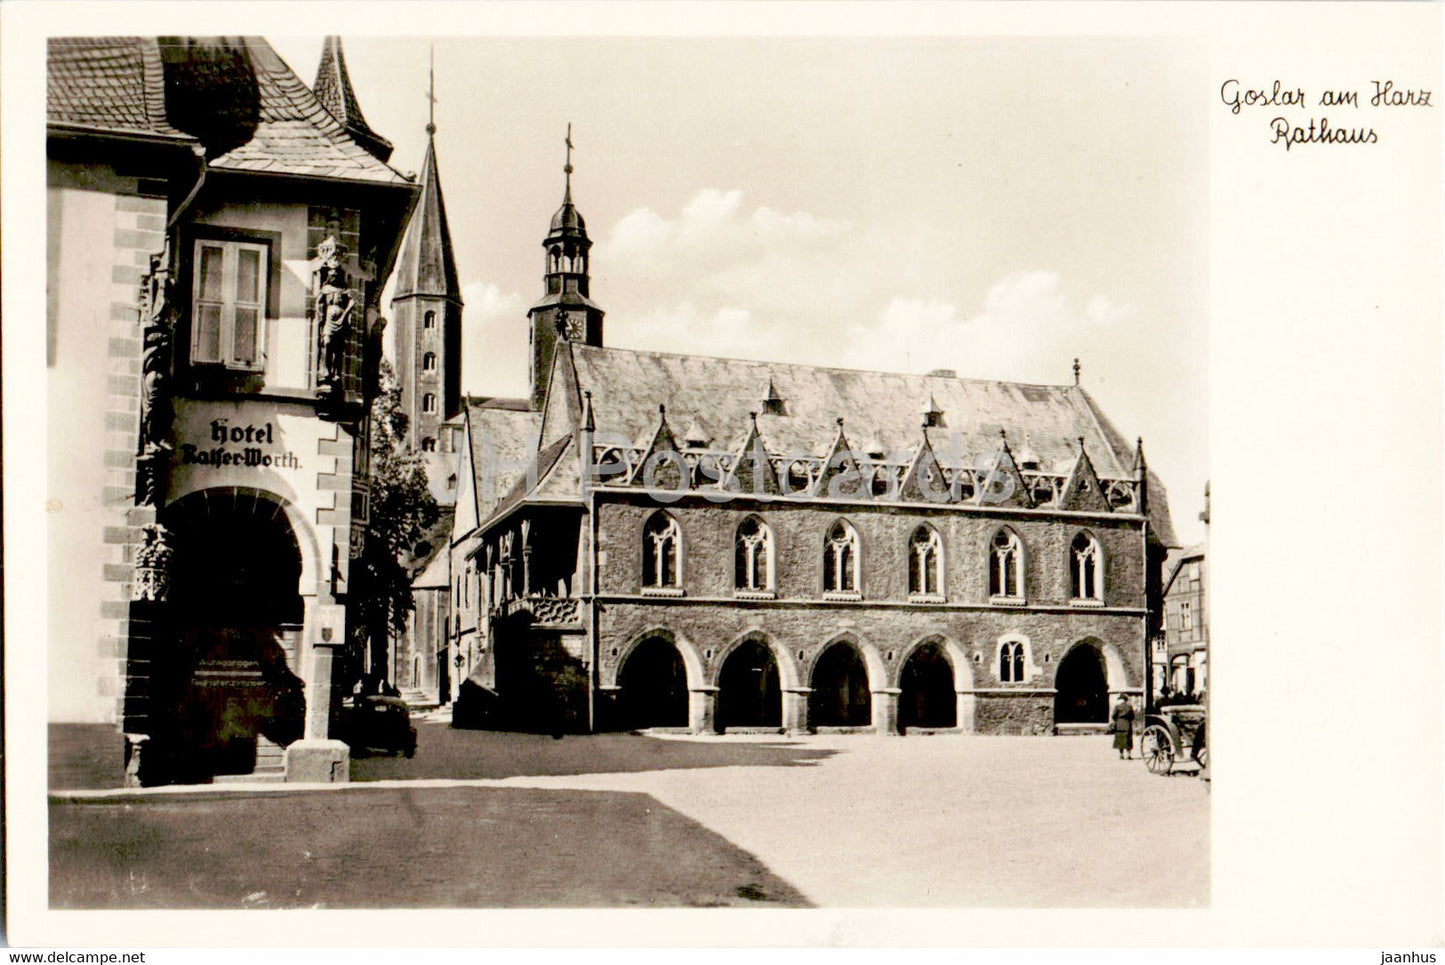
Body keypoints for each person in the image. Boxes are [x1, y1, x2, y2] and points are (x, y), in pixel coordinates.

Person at [1111, 693, 1135, 759]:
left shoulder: (1117, 707)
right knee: (1128, 740)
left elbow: (1113, 716)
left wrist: (1117, 720)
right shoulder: (1129, 707)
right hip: (1127, 724)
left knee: (1120, 740)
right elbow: (1132, 717)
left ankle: (1121, 754)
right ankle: (1128, 755)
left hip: (1119, 724)